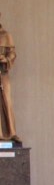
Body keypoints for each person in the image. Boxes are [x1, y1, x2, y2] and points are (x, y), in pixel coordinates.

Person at [0, 13, 16, 142]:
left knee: (7, 101)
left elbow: (12, 54)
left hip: (3, 73)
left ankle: (11, 132)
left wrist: (5, 59)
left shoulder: (6, 35)